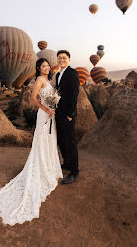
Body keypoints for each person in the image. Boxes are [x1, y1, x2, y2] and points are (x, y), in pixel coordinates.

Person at [0, 58, 62, 226]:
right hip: (43, 114)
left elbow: (51, 96)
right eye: (43, 66)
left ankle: (48, 166)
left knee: (50, 140)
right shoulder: (39, 80)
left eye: (48, 65)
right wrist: (46, 108)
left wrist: (53, 105)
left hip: (50, 113)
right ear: (38, 68)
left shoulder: (48, 80)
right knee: (41, 140)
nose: (46, 68)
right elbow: (33, 98)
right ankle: (40, 168)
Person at [55, 50, 80, 184]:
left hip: (68, 114)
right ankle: (67, 163)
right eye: (59, 58)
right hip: (59, 113)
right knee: (62, 140)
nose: (61, 60)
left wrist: (70, 114)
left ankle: (74, 171)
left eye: (64, 58)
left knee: (70, 142)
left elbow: (74, 94)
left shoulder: (72, 73)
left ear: (69, 59)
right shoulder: (59, 74)